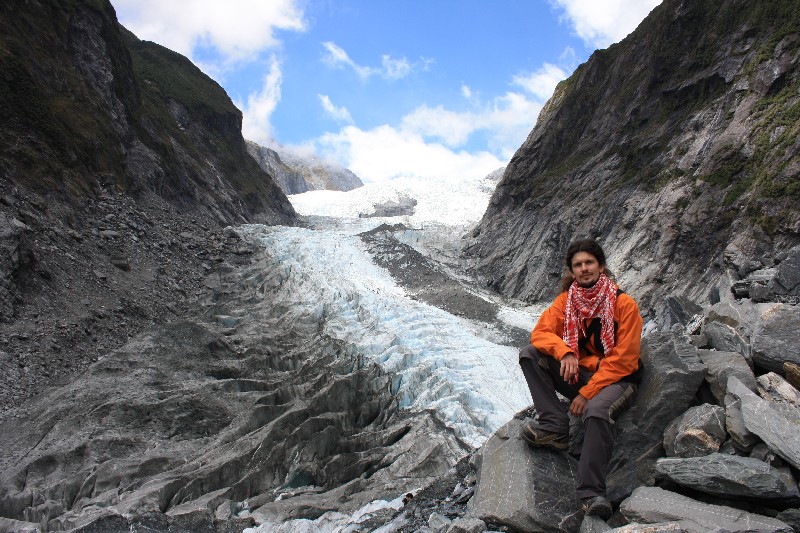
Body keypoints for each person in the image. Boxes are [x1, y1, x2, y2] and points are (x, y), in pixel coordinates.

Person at [518, 238, 643, 521]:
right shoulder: (567, 301)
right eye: (578, 265)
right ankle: (554, 427)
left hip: (619, 379)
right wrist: (564, 353)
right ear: (572, 271)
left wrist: (587, 393)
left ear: (601, 266)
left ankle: (591, 493)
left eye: (589, 263)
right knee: (531, 355)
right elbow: (540, 333)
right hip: (585, 372)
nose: (584, 268)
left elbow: (624, 360)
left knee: (596, 412)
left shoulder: (624, 305)